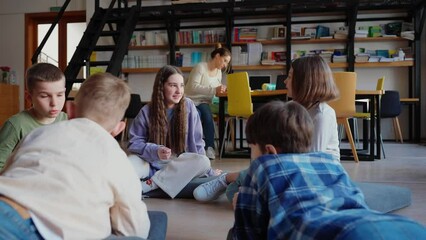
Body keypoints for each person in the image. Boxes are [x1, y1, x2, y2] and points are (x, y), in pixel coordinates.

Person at [229, 100, 426, 240]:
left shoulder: (264, 165)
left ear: (269, 151)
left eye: (252, 148)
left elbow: (246, 234)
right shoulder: (329, 162)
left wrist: (240, 206)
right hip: (402, 227)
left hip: (339, 234)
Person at [0, 73, 151, 239]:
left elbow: (9, 171)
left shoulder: (38, 134)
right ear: (119, 128)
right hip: (28, 227)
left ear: (70, 110)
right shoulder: (118, 158)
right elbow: (133, 229)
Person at [193, 55, 340, 202]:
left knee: (247, 185)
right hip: (294, 167)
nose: (285, 81)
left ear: (304, 82)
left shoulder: (322, 115)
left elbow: (309, 163)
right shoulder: (293, 108)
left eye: (289, 77)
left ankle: (228, 178)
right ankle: (232, 181)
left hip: (317, 175)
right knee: (239, 189)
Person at [127, 65, 222, 199]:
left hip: (178, 165)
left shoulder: (189, 106)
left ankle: (148, 185)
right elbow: (134, 143)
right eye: (173, 85)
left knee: (203, 161)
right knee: (129, 162)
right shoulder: (147, 110)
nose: (179, 91)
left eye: (181, 85)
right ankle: (158, 183)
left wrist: (209, 171)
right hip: (151, 163)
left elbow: (197, 144)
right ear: (161, 87)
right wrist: (155, 150)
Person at [0, 63, 68, 169]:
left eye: (60, 95)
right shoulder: (16, 125)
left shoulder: (68, 121)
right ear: (29, 97)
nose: (54, 103)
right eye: (44, 96)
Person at [184, 43, 231, 160]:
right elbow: (191, 88)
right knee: (199, 115)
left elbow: (215, 89)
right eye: (224, 60)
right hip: (190, 100)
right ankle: (198, 147)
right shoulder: (200, 67)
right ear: (217, 56)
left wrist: (222, 89)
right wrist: (214, 89)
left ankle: (208, 148)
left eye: (227, 62)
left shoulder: (219, 73)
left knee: (205, 115)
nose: (225, 65)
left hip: (204, 101)